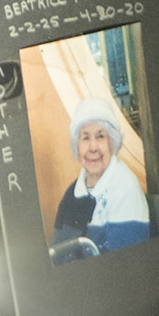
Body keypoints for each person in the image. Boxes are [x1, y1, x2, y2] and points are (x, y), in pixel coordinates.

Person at [49, 97, 151, 253]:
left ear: (112, 142)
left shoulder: (125, 187)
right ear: (77, 145)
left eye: (100, 136)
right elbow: (58, 253)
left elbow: (127, 263)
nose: (93, 147)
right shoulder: (72, 193)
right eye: (85, 137)